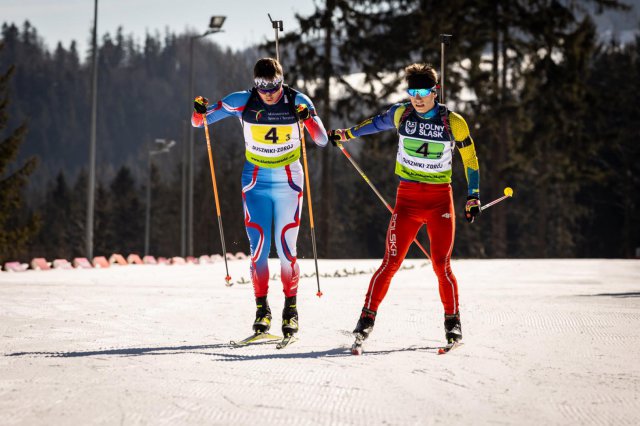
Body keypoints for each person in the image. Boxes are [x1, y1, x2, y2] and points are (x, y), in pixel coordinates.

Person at [328, 62, 481, 348]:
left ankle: (453, 323)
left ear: (435, 91)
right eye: (412, 91)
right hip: (407, 201)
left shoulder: (453, 122)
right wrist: (346, 134)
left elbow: (470, 159)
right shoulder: (402, 113)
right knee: (391, 262)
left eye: (423, 91)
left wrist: (473, 196)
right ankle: (365, 320)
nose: (417, 97)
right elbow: (373, 124)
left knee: (441, 265)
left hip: (439, 202)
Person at [191, 58, 328, 338]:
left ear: (282, 80)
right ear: (255, 83)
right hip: (255, 180)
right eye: (262, 86)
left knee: (286, 247)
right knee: (259, 248)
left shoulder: (296, 100)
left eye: (274, 86)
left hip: (289, 179)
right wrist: (198, 111)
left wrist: (308, 118)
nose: (268, 93)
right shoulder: (242, 101)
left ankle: (291, 310)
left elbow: (322, 139)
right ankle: (262, 310)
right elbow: (199, 122)